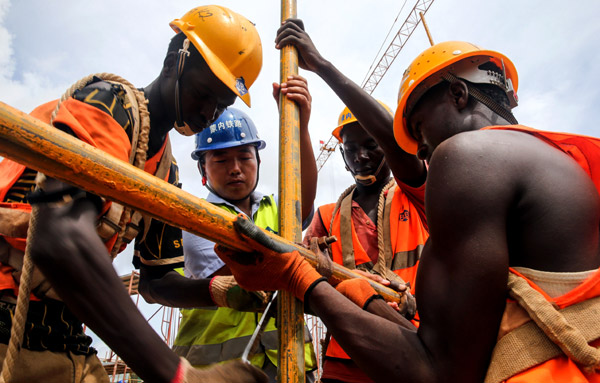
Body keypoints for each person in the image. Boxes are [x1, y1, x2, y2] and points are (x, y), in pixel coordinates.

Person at [215, 27, 600, 383]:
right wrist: (362, 295)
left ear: (458, 95)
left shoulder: (469, 160)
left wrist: (298, 278)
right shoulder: (560, 161)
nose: (420, 148)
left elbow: (436, 372)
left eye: (417, 128)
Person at [0, 5, 267, 383]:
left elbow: (157, 281)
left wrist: (217, 291)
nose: (209, 112)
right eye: (203, 93)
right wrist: (176, 375)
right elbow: (58, 238)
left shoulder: (164, 171)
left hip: (62, 331)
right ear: (175, 60)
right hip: (9, 315)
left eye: (221, 104)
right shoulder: (110, 104)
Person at [138, 75, 318, 383]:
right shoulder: (193, 218)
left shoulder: (276, 207)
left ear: (258, 161)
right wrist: (293, 257)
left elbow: (303, 197)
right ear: (202, 169)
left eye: (245, 157)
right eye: (220, 159)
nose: (235, 168)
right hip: (218, 370)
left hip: (289, 366)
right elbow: (237, 274)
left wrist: (299, 126)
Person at [284, 20, 427, 382]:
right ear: (342, 155)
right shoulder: (328, 216)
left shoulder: (417, 195)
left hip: (419, 345)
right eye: (351, 149)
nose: (361, 157)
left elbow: (402, 150)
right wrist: (321, 276)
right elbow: (304, 290)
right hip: (349, 354)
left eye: (371, 146)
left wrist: (322, 66)